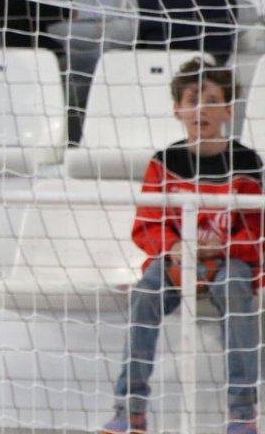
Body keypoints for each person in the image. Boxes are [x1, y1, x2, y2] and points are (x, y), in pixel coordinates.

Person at [99, 58, 262, 434]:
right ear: (177, 109)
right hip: (176, 259)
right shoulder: (164, 162)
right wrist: (174, 247)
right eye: (191, 100)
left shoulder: (248, 164)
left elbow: (257, 231)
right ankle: (129, 409)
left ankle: (241, 411)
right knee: (144, 295)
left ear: (227, 109)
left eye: (211, 100)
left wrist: (222, 247)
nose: (200, 109)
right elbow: (147, 225)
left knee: (236, 292)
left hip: (229, 260)